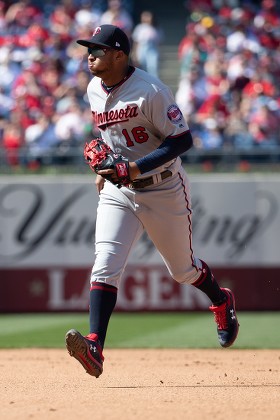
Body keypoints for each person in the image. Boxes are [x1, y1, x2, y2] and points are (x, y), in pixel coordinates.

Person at [65, 24, 239, 378]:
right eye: (88, 49)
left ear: (119, 55)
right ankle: (95, 345)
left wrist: (135, 166)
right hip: (119, 191)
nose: (90, 56)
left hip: (162, 187)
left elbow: (182, 141)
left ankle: (221, 300)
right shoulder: (93, 89)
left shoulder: (151, 90)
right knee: (105, 264)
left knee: (183, 270)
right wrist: (107, 170)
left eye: (97, 50)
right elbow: (109, 135)